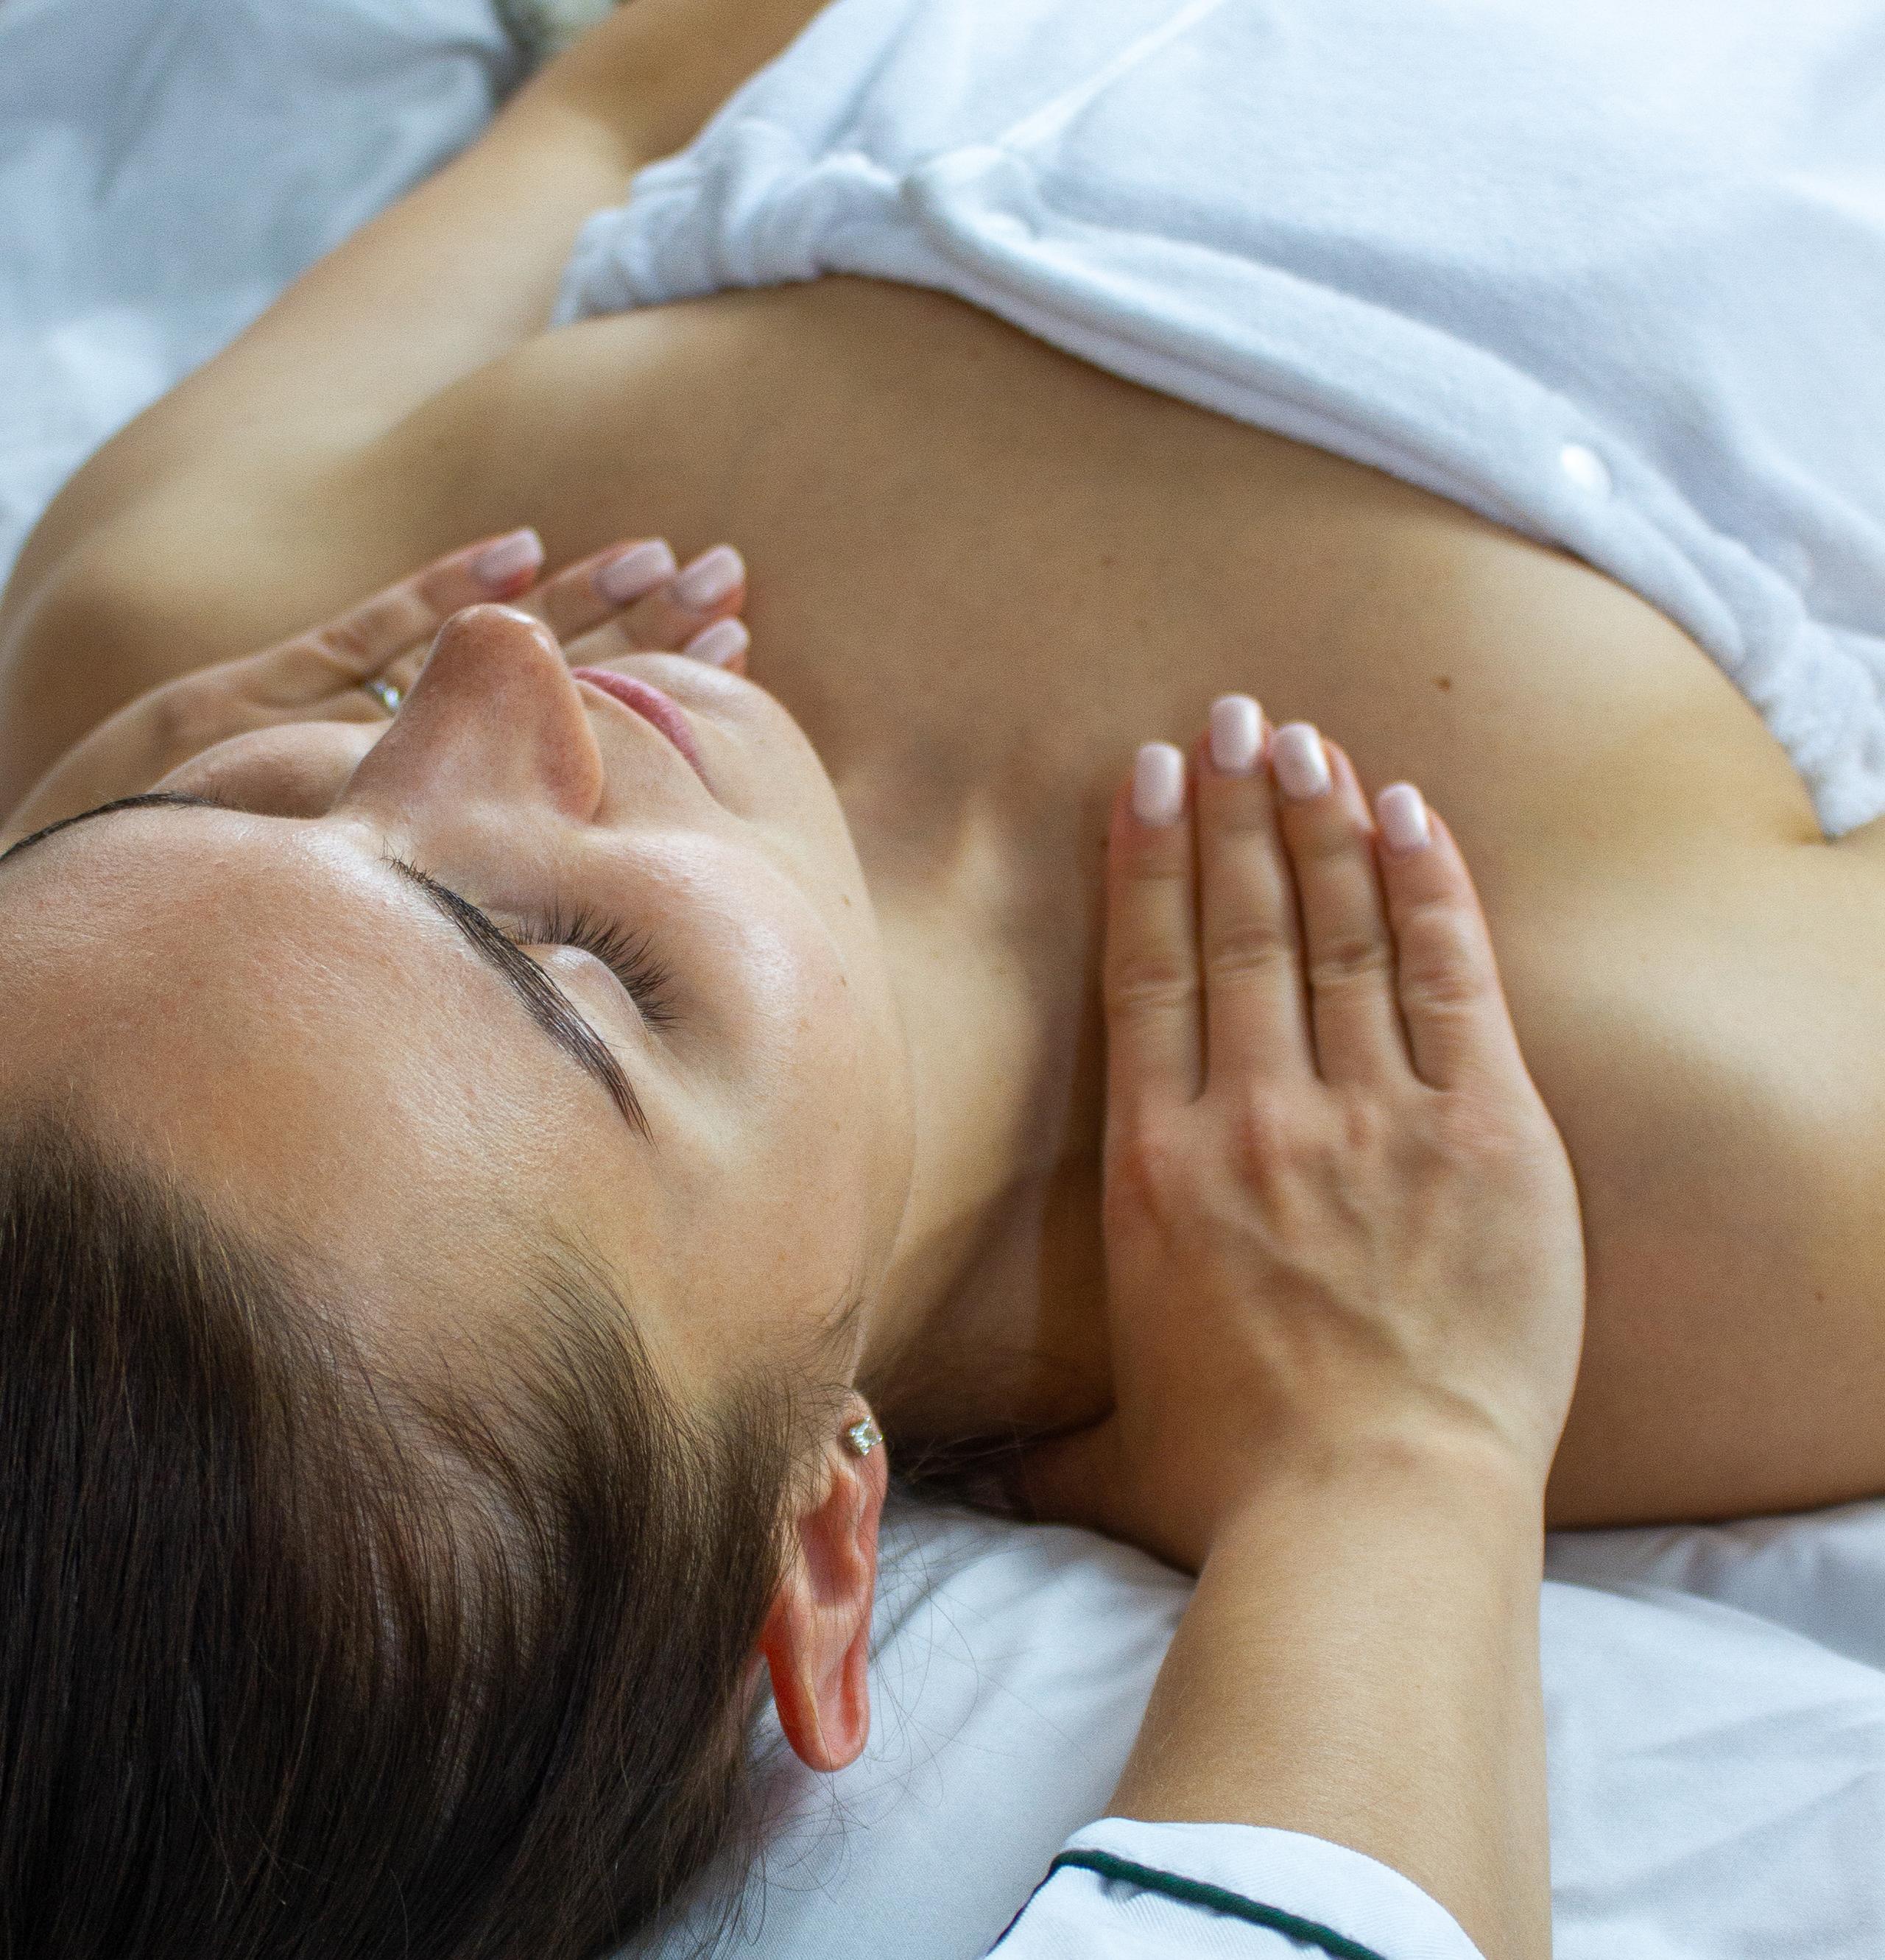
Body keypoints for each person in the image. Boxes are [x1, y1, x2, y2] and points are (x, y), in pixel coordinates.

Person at [0, 0, 1867, 1946]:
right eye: (583, 967)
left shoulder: (147, 642)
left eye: (223, 813)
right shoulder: (1667, 1190)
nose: (488, 677)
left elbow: (632, 87)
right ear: (816, 1547)